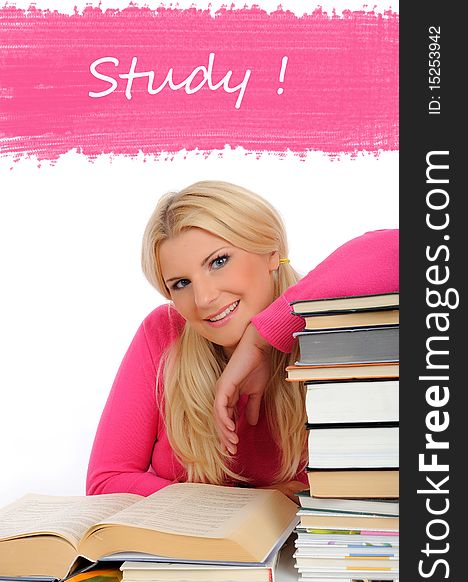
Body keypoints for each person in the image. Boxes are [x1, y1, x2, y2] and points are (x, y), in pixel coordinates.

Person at [86, 180, 399, 502]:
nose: (204, 298)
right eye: (181, 283)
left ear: (271, 253)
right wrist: (249, 504)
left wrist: (264, 335)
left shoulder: (329, 323)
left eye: (219, 262)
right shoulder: (164, 333)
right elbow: (107, 481)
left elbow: (399, 248)